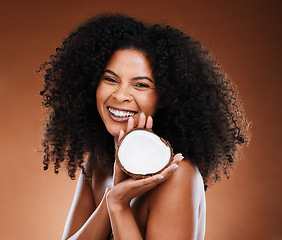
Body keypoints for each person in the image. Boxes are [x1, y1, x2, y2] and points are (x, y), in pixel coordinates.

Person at [39, 13, 250, 240]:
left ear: (165, 97)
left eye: (140, 85)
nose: (120, 95)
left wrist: (119, 206)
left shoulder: (177, 175)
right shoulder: (96, 167)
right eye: (110, 79)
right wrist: (111, 198)